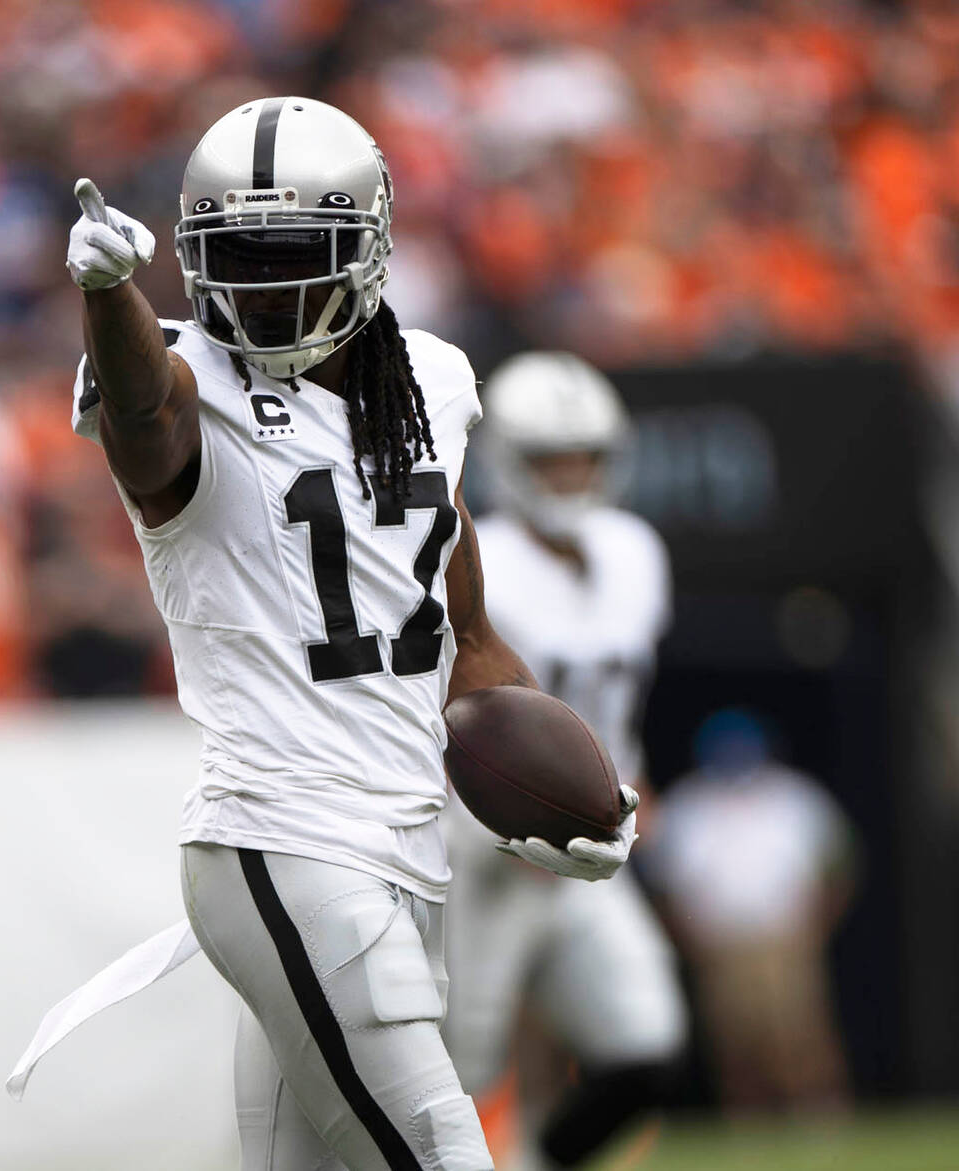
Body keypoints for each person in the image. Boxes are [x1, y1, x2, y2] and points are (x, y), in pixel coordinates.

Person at [45, 97, 639, 1171]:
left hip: (407, 839)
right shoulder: (176, 375)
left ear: (366, 249)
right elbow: (146, 422)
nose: (265, 289)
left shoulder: (435, 379)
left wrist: (555, 775)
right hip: (286, 839)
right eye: (238, 257)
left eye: (295, 256)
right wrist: (109, 296)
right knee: (442, 1153)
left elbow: (464, 624)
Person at [443, 352, 687, 1169]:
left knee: (645, 1046)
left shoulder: (634, 551)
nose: (569, 473)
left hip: (590, 845)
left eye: (583, 454)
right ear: (510, 458)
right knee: (451, 1073)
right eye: (550, 456)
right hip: (484, 848)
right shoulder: (484, 561)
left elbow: (620, 702)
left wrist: (630, 772)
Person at [649, 709, 856, 1114]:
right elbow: (664, 887)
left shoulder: (794, 798)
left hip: (784, 939)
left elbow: (840, 866)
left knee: (799, 1034)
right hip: (721, 945)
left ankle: (821, 1120)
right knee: (735, 1041)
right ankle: (749, 1128)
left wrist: (815, 928)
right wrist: (687, 939)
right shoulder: (688, 806)